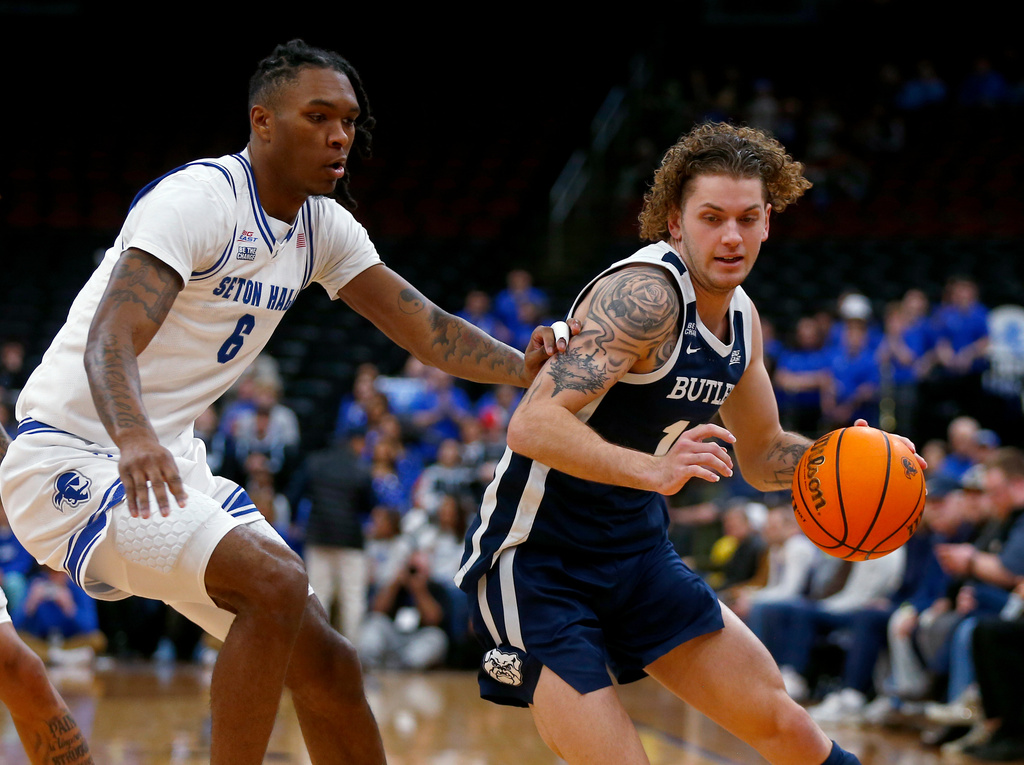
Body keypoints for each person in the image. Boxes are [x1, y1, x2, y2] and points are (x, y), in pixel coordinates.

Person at [0, 39, 573, 765]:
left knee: (329, 661)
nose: (340, 136)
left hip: (167, 458)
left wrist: (522, 367)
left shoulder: (323, 227)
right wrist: (136, 433)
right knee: (276, 581)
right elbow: (110, 337)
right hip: (70, 458)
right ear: (262, 122)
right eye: (318, 116)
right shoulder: (200, 200)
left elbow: (423, 327)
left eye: (349, 122)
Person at [455, 122, 922, 765]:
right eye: (712, 217)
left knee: (789, 729)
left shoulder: (743, 319)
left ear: (766, 223)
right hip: (541, 562)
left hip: (636, 555)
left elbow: (759, 457)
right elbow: (532, 425)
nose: (730, 236)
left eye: (747, 218)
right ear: (675, 223)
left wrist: (846, 458)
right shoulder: (644, 296)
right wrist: (652, 469)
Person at [0, 425, 95, 765]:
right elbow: (25, 621)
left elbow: (90, 628)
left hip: (69, 645)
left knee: (22, 667)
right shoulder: (34, 581)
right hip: (48, 641)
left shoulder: (73, 582)